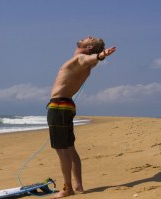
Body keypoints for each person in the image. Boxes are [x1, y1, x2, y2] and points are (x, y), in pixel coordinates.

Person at [47, 36, 116, 198]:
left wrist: (101, 55)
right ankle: (78, 185)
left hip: (59, 106)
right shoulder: (86, 63)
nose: (86, 37)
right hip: (68, 105)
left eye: (89, 38)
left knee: (61, 148)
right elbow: (92, 59)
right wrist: (101, 56)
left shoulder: (81, 58)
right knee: (69, 147)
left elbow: (89, 58)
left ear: (89, 46)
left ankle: (67, 188)